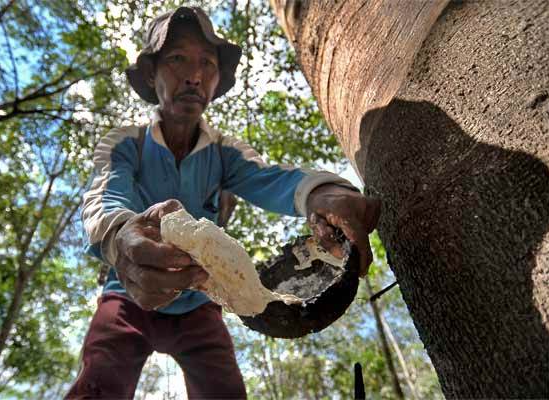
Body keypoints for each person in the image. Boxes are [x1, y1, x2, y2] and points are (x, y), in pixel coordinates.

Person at [66, 6, 380, 399]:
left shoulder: (224, 153)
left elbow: (270, 179)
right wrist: (120, 237)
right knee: (99, 384)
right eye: (177, 58)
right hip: (126, 296)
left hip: (201, 304)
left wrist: (324, 194)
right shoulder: (126, 144)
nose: (193, 75)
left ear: (215, 80)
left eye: (207, 63)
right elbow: (107, 193)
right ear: (151, 73)